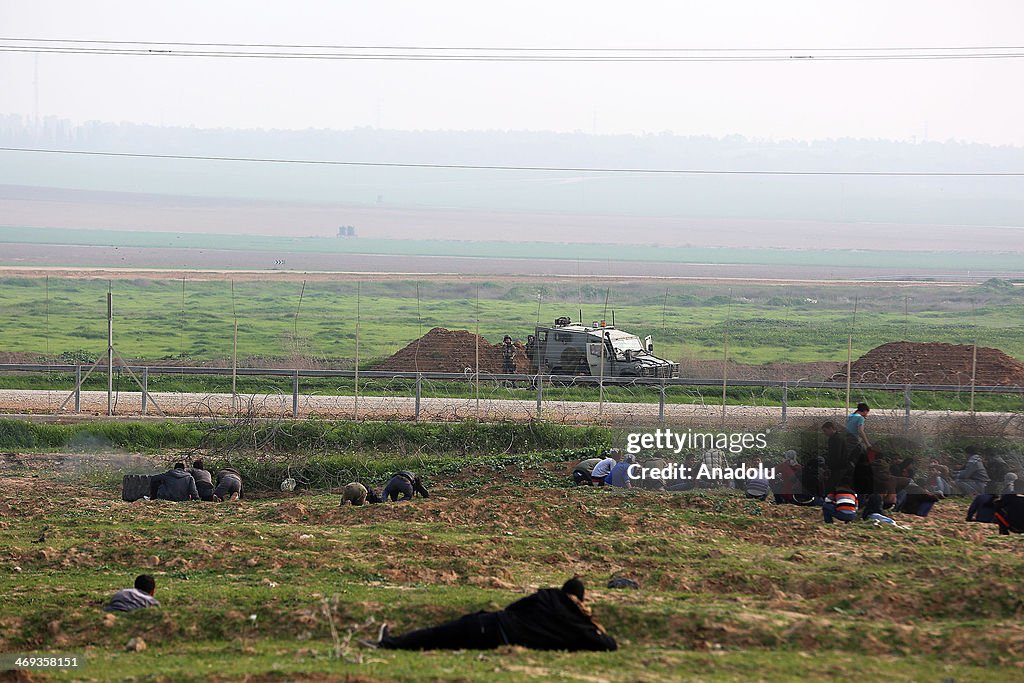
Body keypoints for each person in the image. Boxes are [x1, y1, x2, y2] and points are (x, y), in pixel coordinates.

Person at [364, 577, 616, 651]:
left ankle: (389, 643)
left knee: (437, 634)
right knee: (443, 640)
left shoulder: (548, 596)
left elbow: (513, 607)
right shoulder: (579, 627)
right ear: (581, 600)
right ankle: (391, 644)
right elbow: (609, 644)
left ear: (564, 590)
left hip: (493, 624)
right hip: (501, 639)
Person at [822, 422, 851, 491]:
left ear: (831, 428)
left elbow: (836, 455)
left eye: (825, 431)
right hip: (839, 467)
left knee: (831, 487)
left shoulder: (836, 439)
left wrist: (829, 466)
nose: (825, 433)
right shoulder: (836, 438)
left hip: (839, 468)